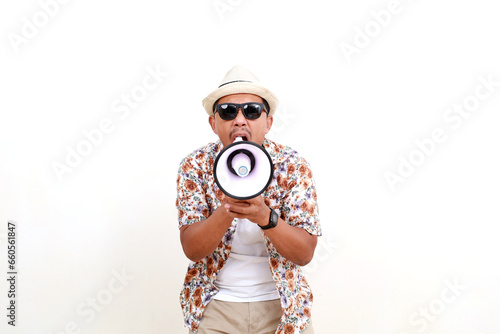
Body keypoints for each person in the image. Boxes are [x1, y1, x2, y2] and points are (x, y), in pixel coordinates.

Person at [176, 65, 322, 334]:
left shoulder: (293, 166)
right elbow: (192, 249)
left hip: (283, 307)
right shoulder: (194, 166)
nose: (240, 120)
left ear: (268, 122)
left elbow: (305, 253)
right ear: (213, 123)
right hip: (216, 308)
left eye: (252, 111)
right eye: (228, 112)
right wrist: (227, 209)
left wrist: (265, 218)